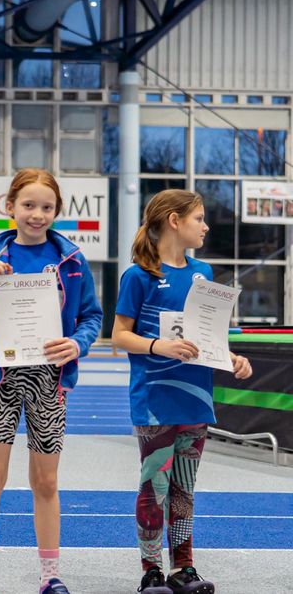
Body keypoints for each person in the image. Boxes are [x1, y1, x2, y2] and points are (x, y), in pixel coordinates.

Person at [0, 169, 102, 594]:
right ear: (10, 207)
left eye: (46, 207)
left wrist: (76, 344)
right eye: (28, 205)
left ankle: (49, 576)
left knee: (46, 482)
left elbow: (92, 316)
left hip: (50, 381)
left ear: (57, 211)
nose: (37, 214)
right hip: (3, 380)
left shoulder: (73, 261)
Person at [111, 189, 253, 594]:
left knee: (184, 491)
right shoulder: (138, 275)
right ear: (174, 221)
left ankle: (183, 568)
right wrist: (160, 346)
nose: (206, 227)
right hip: (155, 400)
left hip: (196, 399)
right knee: (155, 487)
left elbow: (207, 338)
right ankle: (151, 571)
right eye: (199, 219)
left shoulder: (203, 273)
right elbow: (119, 336)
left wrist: (231, 357)